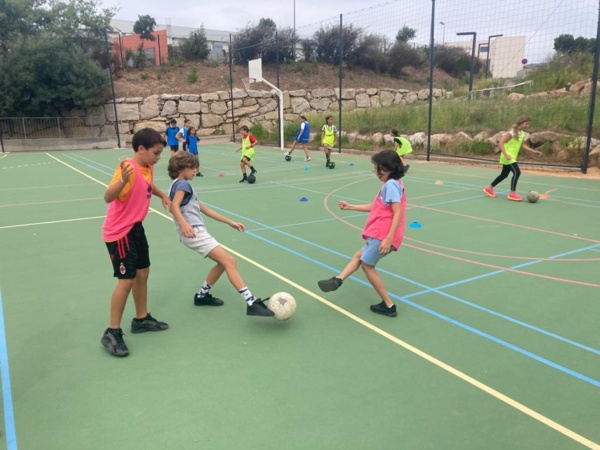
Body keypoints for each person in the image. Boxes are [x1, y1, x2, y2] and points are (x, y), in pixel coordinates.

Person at [167, 152, 274, 317]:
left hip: (192, 232)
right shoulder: (183, 185)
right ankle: (251, 302)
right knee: (230, 261)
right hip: (193, 232)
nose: (196, 170)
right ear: (183, 168)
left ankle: (202, 295)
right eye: (193, 168)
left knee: (223, 263)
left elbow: (206, 209)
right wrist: (184, 224)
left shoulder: (177, 184)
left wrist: (229, 222)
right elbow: (174, 206)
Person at [100, 128, 171, 357]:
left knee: (143, 273)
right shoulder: (127, 169)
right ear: (140, 149)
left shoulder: (147, 165)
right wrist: (123, 180)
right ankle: (112, 332)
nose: (158, 157)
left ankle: (141, 319)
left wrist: (162, 195)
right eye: (156, 153)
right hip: (120, 233)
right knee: (126, 280)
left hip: (136, 228)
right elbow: (108, 197)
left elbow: (148, 185)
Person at [317, 150, 406, 317]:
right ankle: (338, 279)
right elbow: (377, 207)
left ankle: (389, 305)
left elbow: (397, 212)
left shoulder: (391, 185)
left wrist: (388, 238)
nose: (377, 172)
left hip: (383, 234)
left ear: (389, 168)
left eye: (379, 168)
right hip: (380, 233)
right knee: (359, 255)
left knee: (367, 265)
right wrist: (351, 206)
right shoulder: (395, 184)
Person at [483, 115, 542, 201]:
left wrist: (533, 151)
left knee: (504, 174)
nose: (527, 126)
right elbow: (501, 143)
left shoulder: (521, 133)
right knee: (517, 172)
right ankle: (512, 193)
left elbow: (522, 145)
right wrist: (506, 154)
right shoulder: (512, 132)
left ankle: (489, 188)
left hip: (511, 157)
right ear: (521, 123)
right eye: (526, 123)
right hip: (507, 156)